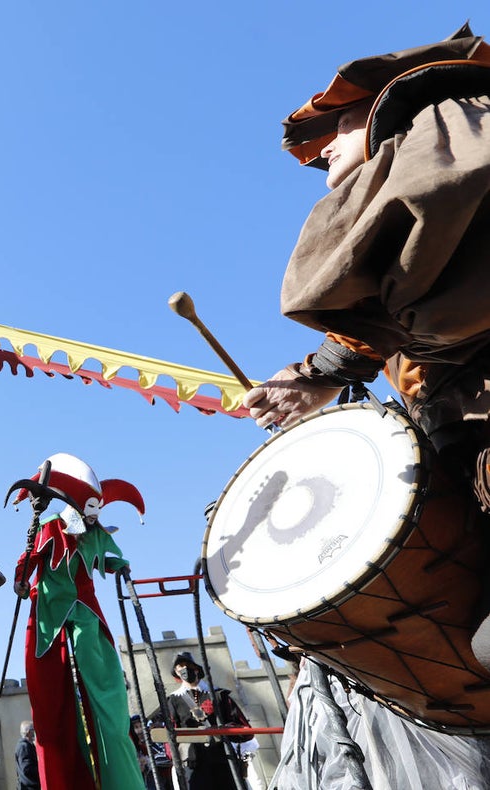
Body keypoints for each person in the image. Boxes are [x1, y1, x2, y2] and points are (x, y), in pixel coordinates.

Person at [239, 23, 490, 789]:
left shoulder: (457, 125)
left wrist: (327, 363)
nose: (323, 173)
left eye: (333, 138)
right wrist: (322, 373)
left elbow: (432, 241)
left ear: (385, 107)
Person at [11, 452, 147, 790]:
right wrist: (21, 578)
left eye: (98, 509)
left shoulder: (95, 532)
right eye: (89, 507)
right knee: (51, 703)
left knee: (107, 693)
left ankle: (121, 780)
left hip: (86, 612)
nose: (94, 516)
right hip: (48, 613)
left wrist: (121, 565)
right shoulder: (50, 527)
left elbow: (110, 558)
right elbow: (25, 562)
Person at [165, 652, 250, 790]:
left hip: (224, 758)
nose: (184, 669)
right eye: (180, 666)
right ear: (176, 673)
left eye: (188, 665)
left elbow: (244, 729)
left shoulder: (219, 695)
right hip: (194, 762)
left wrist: (224, 730)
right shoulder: (173, 701)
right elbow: (170, 735)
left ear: (196, 669)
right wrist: (175, 758)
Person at [13, 721, 39, 790]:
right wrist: (40, 769)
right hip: (28, 787)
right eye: (33, 730)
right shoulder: (24, 746)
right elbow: (26, 768)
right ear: (28, 732)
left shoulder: (28, 745)